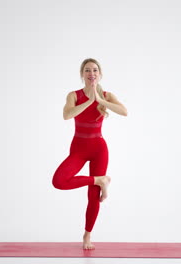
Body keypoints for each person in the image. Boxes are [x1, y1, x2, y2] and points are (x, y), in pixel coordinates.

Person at [52, 58, 128, 250]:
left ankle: (87, 236)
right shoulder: (74, 95)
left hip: (98, 149)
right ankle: (100, 180)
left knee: (93, 197)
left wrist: (100, 100)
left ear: (99, 74)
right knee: (59, 181)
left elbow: (124, 111)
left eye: (94, 70)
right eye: (87, 70)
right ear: (82, 74)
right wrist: (90, 102)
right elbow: (67, 115)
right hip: (78, 149)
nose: (91, 73)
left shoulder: (108, 95)